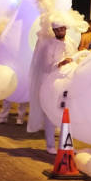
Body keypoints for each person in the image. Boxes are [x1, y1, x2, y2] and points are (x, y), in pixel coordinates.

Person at [28, 17, 79, 154]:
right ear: (54, 30)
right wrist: (60, 64)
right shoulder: (49, 45)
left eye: (62, 29)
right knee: (50, 114)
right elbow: (45, 66)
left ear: (65, 29)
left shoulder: (71, 42)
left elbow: (75, 57)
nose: (60, 31)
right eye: (57, 29)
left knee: (67, 114)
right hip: (50, 83)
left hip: (67, 83)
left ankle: (67, 144)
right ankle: (50, 145)